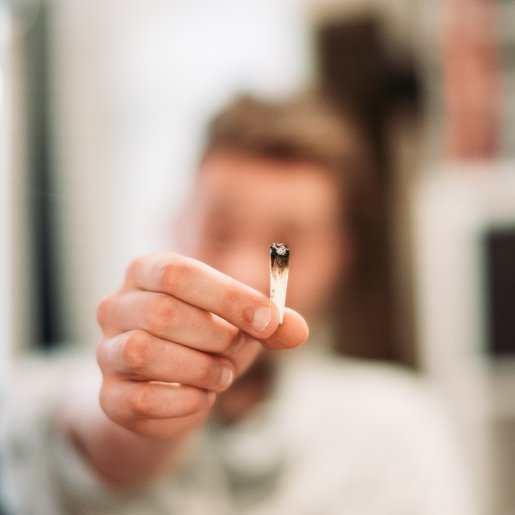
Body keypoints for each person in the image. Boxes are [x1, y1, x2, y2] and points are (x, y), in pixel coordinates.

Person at [0, 93, 473, 514]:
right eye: (219, 231)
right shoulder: (36, 396)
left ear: (339, 257)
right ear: (176, 223)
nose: (246, 274)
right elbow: (69, 449)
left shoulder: (397, 430)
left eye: (285, 244)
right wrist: (131, 418)